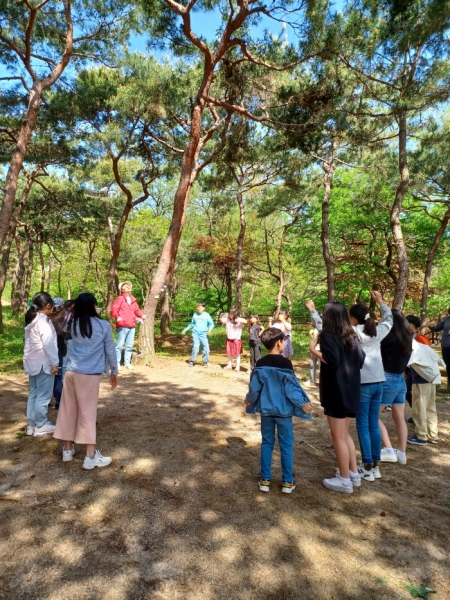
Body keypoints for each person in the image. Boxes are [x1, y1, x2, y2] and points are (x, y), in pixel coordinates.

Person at [53, 293, 118, 469]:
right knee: (88, 413)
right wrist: (114, 371)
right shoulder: (103, 325)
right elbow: (110, 349)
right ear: (93, 306)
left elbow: (61, 328)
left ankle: (67, 450)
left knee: (68, 409)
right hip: (89, 374)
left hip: (71, 372)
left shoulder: (73, 324)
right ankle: (90, 456)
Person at [245, 327, 313, 494]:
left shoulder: (260, 363)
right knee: (286, 445)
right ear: (278, 343)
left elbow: (255, 388)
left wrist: (249, 400)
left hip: (267, 412)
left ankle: (265, 480)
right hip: (284, 414)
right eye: (284, 341)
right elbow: (291, 389)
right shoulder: (286, 364)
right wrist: (302, 403)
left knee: (267, 443)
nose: (285, 344)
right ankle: (287, 481)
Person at [307, 300, 365, 494]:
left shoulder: (328, 335)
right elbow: (361, 360)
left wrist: (314, 351)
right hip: (352, 390)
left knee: (338, 436)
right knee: (345, 434)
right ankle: (353, 474)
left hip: (337, 392)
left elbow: (332, 360)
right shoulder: (352, 335)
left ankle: (344, 480)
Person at [349, 292, 393, 482]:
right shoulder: (376, 331)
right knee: (373, 423)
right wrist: (381, 302)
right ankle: (375, 465)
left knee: (362, 424)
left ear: (353, 318)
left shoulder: (353, 332)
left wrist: (313, 313)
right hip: (379, 381)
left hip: (363, 384)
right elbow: (389, 320)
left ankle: (367, 465)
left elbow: (328, 330)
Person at [378, 310, 413, 466]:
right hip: (400, 379)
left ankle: (388, 449)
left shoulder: (387, 337)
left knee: (372, 416)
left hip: (387, 378)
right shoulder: (407, 338)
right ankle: (402, 453)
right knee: (399, 417)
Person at [23, 292, 59, 437]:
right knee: (43, 396)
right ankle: (41, 424)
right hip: (44, 363)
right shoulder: (43, 321)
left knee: (34, 393)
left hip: (32, 362)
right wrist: (55, 363)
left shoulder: (32, 319)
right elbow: (48, 344)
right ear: (48, 305)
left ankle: (31, 424)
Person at [406, 338, 445, 445]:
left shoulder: (413, 350)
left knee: (419, 408)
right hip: (433, 379)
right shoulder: (424, 347)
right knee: (430, 408)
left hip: (422, 382)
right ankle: (433, 435)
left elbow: (404, 362)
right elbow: (439, 360)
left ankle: (421, 436)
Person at [111, 281, 146, 371]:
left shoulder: (133, 299)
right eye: (126, 286)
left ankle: (127, 363)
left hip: (132, 325)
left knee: (129, 345)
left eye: (129, 286)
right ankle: (117, 363)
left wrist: (141, 315)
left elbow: (137, 310)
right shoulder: (120, 298)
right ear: (122, 289)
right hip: (122, 325)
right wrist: (118, 317)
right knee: (119, 345)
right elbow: (114, 309)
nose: (128, 287)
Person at [405, 315, 431, 410]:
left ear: (410, 325)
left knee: (419, 394)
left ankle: (419, 414)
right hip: (411, 369)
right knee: (406, 391)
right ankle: (416, 412)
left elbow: (428, 354)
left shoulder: (421, 339)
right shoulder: (407, 337)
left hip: (420, 370)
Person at [182, 302, 214, 367]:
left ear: (204, 308)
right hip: (195, 333)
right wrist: (185, 330)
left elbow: (211, 324)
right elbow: (192, 324)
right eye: (197, 307)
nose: (198, 308)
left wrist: (210, 330)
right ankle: (192, 361)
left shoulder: (206, 315)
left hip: (204, 334)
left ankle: (205, 362)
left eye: (200, 307)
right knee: (195, 347)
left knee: (206, 349)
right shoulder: (195, 315)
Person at [429, 308, 450, 393]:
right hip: (445, 346)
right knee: (448, 366)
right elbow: (438, 328)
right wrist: (431, 327)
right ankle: (448, 388)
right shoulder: (447, 319)